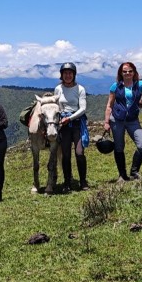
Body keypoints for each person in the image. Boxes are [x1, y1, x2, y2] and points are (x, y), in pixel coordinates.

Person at [103, 63, 142, 181]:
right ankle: (122, 176)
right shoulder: (115, 86)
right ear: (120, 73)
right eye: (125, 71)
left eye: (130, 71)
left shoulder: (140, 85)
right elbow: (109, 105)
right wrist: (106, 122)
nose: (127, 73)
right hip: (117, 120)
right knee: (119, 147)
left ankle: (134, 172)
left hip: (132, 120)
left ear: (134, 72)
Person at [54, 62, 89, 191]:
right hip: (63, 124)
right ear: (61, 75)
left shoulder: (80, 89)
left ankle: (83, 181)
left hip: (76, 123)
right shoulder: (58, 89)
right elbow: (56, 106)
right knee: (66, 154)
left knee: (79, 152)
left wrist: (70, 118)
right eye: (65, 73)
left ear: (74, 74)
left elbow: (83, 108)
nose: (68, 75)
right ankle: (67, 182)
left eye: (70, 73)